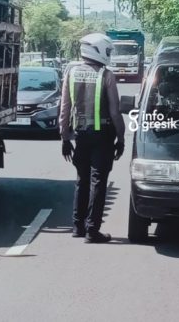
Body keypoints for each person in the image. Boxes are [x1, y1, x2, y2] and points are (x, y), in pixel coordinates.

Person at [58, 33, 125, 243]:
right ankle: (92, 230)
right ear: (99, 50)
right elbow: (115, 112)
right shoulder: (106, 75)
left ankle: (77, 226)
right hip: (103, 136)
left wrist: (64, 138)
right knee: (98, 182)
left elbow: (65, 108)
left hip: (80, 136)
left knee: (82, 180)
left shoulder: (71, 72)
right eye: (107, 51)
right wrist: (121, 138)